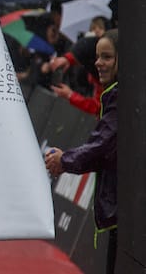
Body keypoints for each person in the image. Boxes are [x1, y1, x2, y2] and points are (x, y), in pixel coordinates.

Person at [45, 29, 118, 274]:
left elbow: (102, 145)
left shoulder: (120, 97)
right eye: (98, 57)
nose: (99, 63)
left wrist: (64, 160)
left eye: (106, 57)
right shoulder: (114, 95)